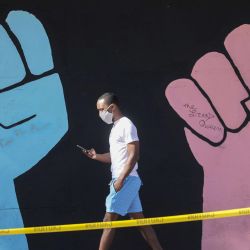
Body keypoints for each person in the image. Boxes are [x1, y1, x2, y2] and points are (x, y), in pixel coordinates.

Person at [82, 92, 163, 250]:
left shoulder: (126, 124)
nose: (100, 113)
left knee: (108, 222)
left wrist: (121, 179)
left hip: (125, 180)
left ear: (112, 107)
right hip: (125, 180)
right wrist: (95, 156)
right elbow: (114, 156)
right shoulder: (115, 128)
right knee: (142, 224)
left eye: (101, 109)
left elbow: (134, 156)